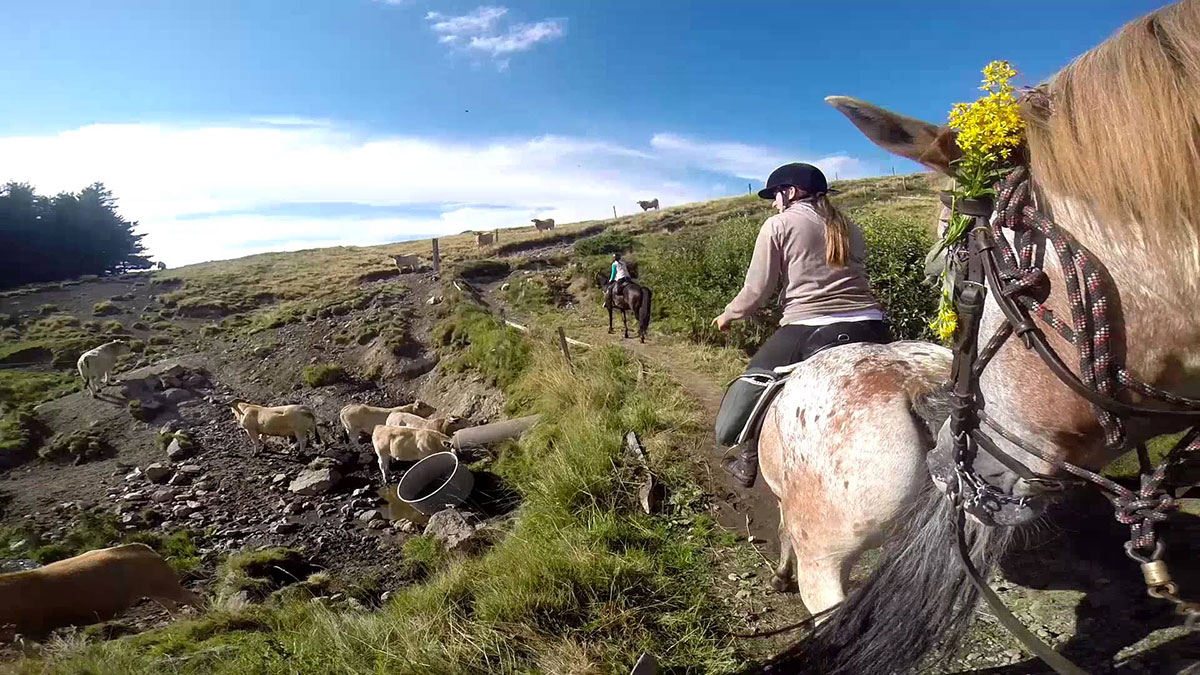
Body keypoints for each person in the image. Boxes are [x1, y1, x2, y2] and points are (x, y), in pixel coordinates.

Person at [713, 163, 891, 488]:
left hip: (808, 326)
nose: (773, 203)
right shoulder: (850, 226)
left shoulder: (778, 224)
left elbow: (757, 290)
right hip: (871, 326)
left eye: (775, 195)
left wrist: (729, 314)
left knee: (749, 389)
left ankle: (746, 460)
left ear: (790, 192)